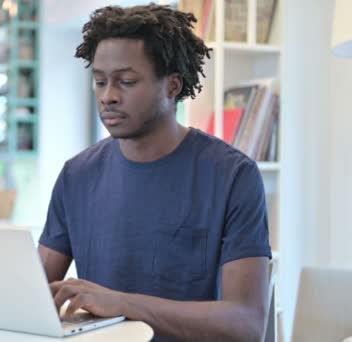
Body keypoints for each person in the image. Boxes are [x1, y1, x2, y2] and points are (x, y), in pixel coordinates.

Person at [38, 4, 272, 342]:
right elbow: (34, 296)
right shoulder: (77, 175)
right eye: (100, 82)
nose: (108, 97)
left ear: (173, 86)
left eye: (126, 81)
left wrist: (122, 303)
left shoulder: (233, 176)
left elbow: (246, 324)